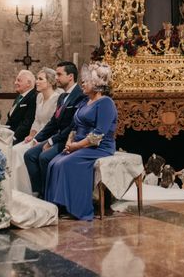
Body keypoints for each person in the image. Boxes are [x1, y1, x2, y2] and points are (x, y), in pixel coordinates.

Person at [45, 62, 117, 220]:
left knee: (66, 163)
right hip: (79, 145)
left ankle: (77, 208)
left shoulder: (106, 103)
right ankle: (59, 206)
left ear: (97, 83)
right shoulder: (85, 101)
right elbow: (75, 126)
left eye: (86, 80)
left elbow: (98, 135)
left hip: (98, 147)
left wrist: (76, 146)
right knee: (53, 163)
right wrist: (69, 143)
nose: (82, 83)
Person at [24, 61, 86, 198]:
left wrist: (51, 141)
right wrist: (36, 138)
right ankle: (40, 191)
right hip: (58, 137)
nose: (56, 77)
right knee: (29, 155)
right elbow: (54, 122)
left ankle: (52, 196)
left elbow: (73, 125)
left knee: (44, 157)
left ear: (70, 76)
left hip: (69, 139)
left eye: (59, 74)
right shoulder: (63, 96)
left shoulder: (80, 95)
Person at [9, 67, 63, 194]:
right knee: (15, 149)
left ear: (50, 82)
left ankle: (32, 190)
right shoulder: (39, 97)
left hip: (48, 136)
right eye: (37, 79)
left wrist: (40, 139)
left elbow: (54, 124)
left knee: (19, 151)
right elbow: (36, 120)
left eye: (40, 79)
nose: (37, 82)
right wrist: (31, 135)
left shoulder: (57, 98)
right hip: (36, 135)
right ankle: (18, 189)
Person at [6, 70, 37, 144]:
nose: (15, 83)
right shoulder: (20, 96)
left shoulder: (33, 97)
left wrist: (14, 137)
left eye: (19, 80)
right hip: (10, 135)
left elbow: (27, 122)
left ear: (28, 83)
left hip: (20, 138)